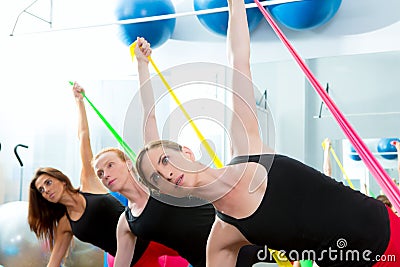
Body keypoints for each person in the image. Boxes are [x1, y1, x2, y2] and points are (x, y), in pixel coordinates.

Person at [134, 0, 400, 266]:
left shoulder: (248, 147)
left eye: (166, 161)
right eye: (157, 178)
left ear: (187, 152)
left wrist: (235, 4)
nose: (166, 173)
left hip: (387, 229)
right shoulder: (224, 238)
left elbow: (237, 59)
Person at [92, 40, 270, 267]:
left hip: (247, 246)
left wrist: (141, 64)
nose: (105, 174)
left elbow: (150, 114)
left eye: (109, 165)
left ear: (128, 163)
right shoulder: (126, 223)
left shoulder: (162, 181)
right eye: (99, 173)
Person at [27, 82, 182, 267]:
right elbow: (54, 263)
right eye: (42, 190)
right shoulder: (65, 224)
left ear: (60, 180)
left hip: (151, 238)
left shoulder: (89, 183)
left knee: (206, 249)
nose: (46, 190)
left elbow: (83, 136)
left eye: (48, 183)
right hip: (132, 260)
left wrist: (79, 102)